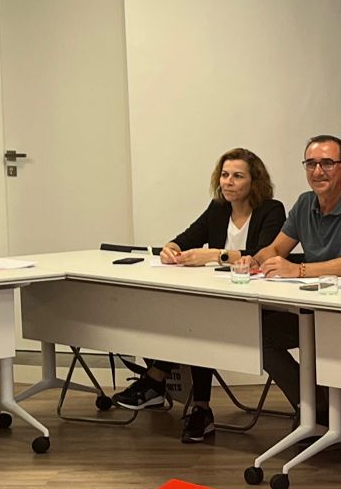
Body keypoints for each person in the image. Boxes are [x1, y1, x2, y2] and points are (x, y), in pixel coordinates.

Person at [112, 148, 286, 443]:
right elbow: (186, 238)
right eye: (225, 175)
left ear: (254, 182)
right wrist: (170, 247)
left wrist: (215, 255)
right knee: (196, 317)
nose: (228, 182)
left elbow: (262, 252)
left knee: (198, 319)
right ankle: (197, 407)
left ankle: (158, 383)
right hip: (220, 300)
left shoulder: (272, 210)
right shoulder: (218, 208)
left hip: (260, 302)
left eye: (237, 176)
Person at [239, 134, 341, 425]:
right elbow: (278, 248)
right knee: (257, 335)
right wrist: (254, 259)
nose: (318, 172)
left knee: (310, 340)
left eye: (327, 163)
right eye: (311, 164)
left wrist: (299, 270)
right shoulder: (305, 203)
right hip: (311, 309)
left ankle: (330, 415)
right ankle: (317, 408)